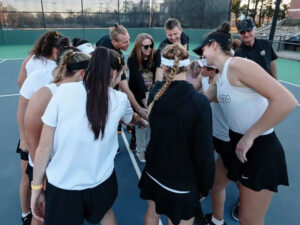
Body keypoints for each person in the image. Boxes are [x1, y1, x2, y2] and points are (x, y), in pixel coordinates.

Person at [193, 22, 298, 225]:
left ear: (213, 45)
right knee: (215, 184)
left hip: (259, 148)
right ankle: (216, 220)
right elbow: (202, 100)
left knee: (248, 220)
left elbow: (287, 101)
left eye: (203, 49)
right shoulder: (220, 76)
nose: (201, 54)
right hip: (234, 144)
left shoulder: (238, 65)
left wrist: (250, 136)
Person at [30, 47, 146, 225]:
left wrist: (36, 188)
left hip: (63, 188)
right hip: (102, 184)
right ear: (114, 73)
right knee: (106, 214)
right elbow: (132, 119)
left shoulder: (64, 92)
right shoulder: (120, 100)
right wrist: (144, 122)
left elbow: (44, 148)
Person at [139, 43, 215, 225]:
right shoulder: (199, 102)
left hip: (154, 171)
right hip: (181, 181)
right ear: (189, 66)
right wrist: (205, 186)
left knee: (152, 213)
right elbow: (204, 151)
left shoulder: (156, 93)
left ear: (163, 67)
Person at [16, 33, 69, 225]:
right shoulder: (41, 77)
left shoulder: (71, 82)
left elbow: (20, 84)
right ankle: (27, 213)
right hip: (35, 143)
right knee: (32, 185)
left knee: (41, 194)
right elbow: (22, 107)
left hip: (47, 147)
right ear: (57, 53)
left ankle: (30, 214)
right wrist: (25, 138)